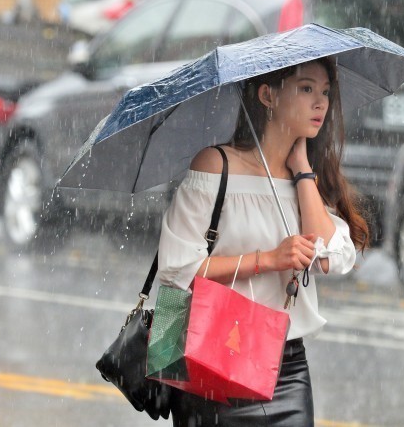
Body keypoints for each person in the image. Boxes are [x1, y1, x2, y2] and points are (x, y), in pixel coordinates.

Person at [158, 56, 370, 426]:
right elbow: (177, 271)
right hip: (214, 355)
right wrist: (268, 259)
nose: (320, 102)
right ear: (268, 95)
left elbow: (331, 258)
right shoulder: (215, 166)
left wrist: (303, 170)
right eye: (306, 89)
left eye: (324, 92)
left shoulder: (305, 180)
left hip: (286, 367)